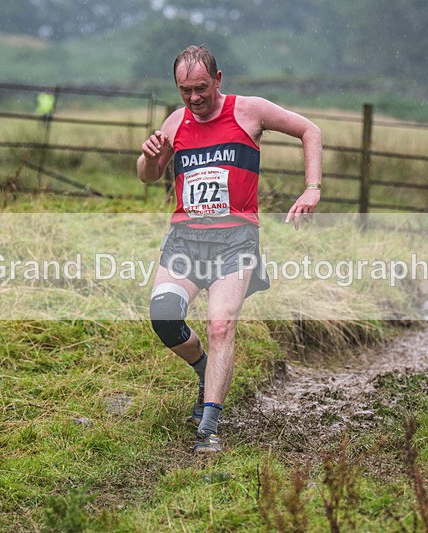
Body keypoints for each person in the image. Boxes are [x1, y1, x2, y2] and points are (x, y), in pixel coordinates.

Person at [137, 45, 322, 454]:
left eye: (201, 88)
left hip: (235, 240)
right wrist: (150, 159)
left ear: (218, 80)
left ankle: (209, 424)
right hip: (186, 238)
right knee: (164, 317)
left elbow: (310, 130)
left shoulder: (249, 111)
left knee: (221, 325)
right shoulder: (176, 120)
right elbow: (147, 175)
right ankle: (203, 369)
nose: (194, 98)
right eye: (185, 90)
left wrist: (312, 187)